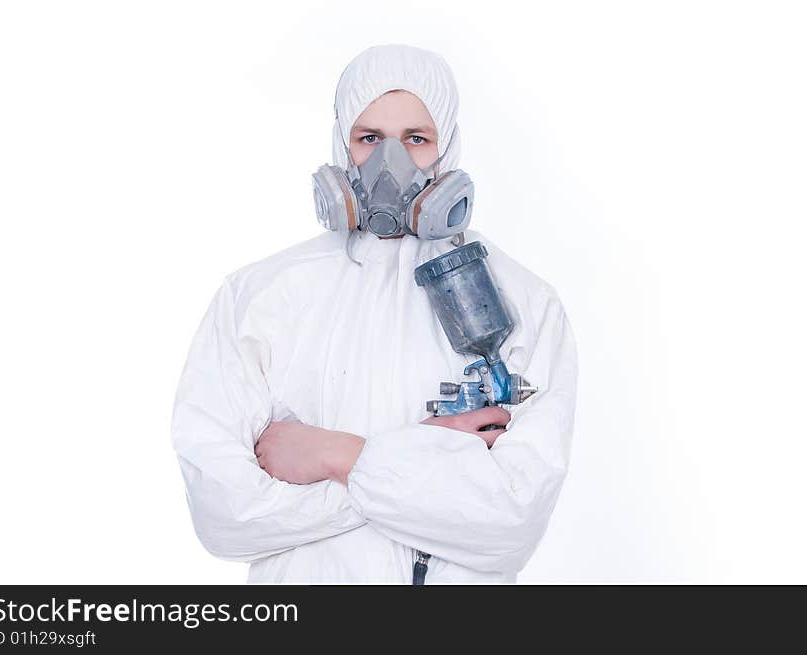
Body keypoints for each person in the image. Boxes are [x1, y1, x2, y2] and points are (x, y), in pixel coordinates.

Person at [171, 44, 578, 584]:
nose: (392, 163)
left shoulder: (523, 303)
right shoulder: (261, 297)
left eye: (416, 138)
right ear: (342, 143)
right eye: (369, 139)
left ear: (446, 147)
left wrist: (337, 456)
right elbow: (224, 516)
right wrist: (430, 472)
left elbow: (510, 524)